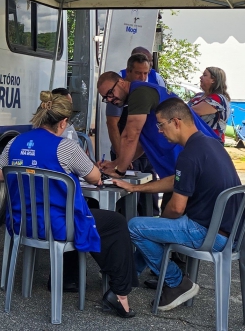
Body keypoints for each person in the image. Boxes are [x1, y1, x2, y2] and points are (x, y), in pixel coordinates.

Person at [0, 91, 136, 318]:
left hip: (22, 224)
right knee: (115, 222)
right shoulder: (66, 148)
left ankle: (69, 278)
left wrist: (29, 171)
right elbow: (93, 176)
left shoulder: (14, 142)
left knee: (81, 215)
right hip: (57, 226)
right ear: (63, 122)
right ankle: (120, 294)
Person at [113, 98, 242, 311]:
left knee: (136, 227)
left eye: (160, 125)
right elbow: (176, 180)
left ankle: (176, 282)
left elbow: (176, 208)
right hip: (232, 232)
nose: (159, 131)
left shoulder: (189, 155)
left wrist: (158, 226)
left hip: (209, 234)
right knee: (153, 230)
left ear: (176, 121)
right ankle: (127, 277)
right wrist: (136, 188)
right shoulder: (210, 144)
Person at [96, 70, 216, 181]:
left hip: (196, 158)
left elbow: (130, 136)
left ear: (121, 82)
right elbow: (139, 145)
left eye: (110, 93)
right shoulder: (139, 95)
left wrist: (119, 171)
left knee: (175, 203)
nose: (110, 99)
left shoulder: (139, 94)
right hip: (187, 161)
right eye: (106, 98)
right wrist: (116, 163)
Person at [105, 47, 165, 159]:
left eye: (145, 72)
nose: (142, 77)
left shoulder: (156, 78)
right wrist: (120, 154)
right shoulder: (119, 81)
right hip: (126, 146)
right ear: (129, 70)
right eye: (138, 72)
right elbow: (112, 123)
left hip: (149, 147)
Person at [188, 67, 231, 142]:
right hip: (195, 139)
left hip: (211, 142)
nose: (200, 77)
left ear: (213, 80)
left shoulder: (218, 98)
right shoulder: (198, 95)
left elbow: (193, 111)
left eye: (204, 75)